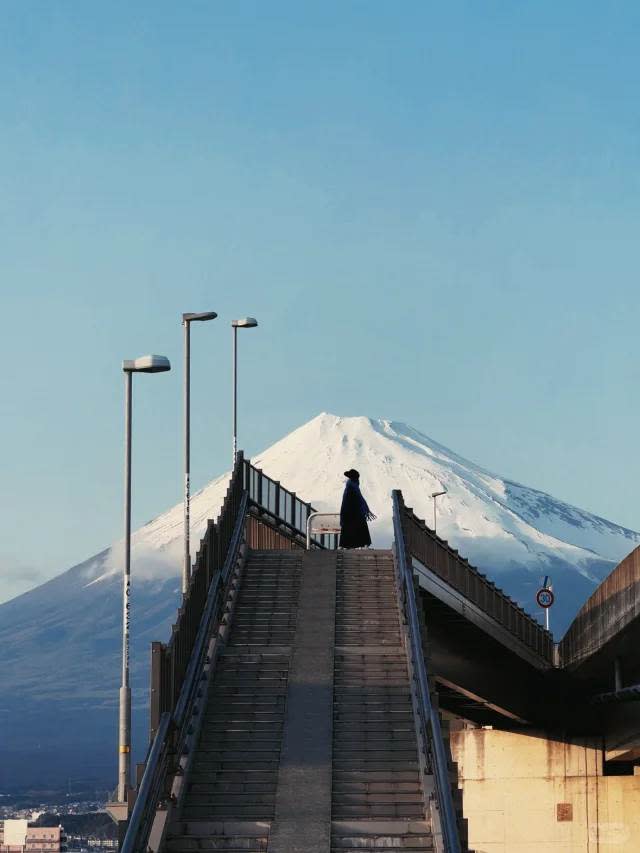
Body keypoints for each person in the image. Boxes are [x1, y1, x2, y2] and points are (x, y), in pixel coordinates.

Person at [339, 469, 376, 549]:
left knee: (348, 529)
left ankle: (344, 545)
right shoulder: (352, 487)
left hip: (349, 513)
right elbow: (354, 500)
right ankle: (364, 545)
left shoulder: (350, 486)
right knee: (361, 527)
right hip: (354, 512)